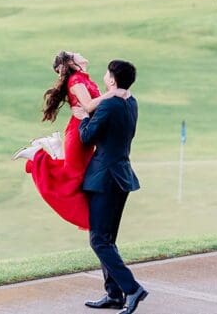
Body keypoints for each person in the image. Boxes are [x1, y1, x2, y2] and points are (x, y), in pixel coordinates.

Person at [13, 51, 129, 230]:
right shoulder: (76, 80)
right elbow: (89, 105)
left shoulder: (84, 78)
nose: (80, 53)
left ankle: (53, 149)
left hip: (86, 132)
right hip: (78, 133)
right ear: (71, 63)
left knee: (79, 176)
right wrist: (115, 93)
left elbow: (94, 106)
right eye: (75, 53)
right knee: (73, 178)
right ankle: (38, 157)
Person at [71, 59, 147, 313]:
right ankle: (114, 295)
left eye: (107, 73)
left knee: (99, 242)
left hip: (105, 179)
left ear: (112, 80)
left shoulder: (109, 105)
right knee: (108, 239)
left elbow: (86, 137)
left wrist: (83, 117)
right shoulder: (131, 102)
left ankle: (132, 289)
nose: (104, 76)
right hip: (122, 176)